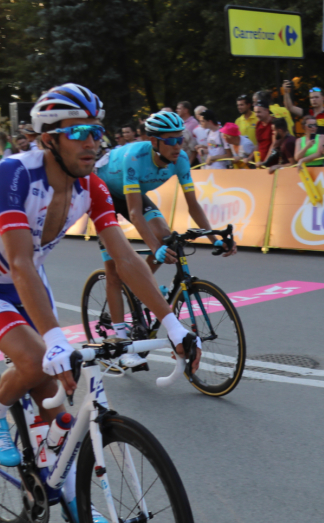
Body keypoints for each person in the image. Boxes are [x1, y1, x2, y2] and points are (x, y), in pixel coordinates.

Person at [0, 85, 202, 523]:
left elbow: (124, 258)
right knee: (35, 359)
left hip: (31, 283)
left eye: (97, 131)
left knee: (57, 397)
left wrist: (172, 324)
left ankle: (63, 491)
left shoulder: (91, 185)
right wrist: (52, 340)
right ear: (49, 138)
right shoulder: (14, 173)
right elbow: (19, 259)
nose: (93, 142)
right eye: (80, 132)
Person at [95, 110, 235, 369]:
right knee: (114, 270)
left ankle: (139, 285)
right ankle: (120, 341)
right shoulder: (135, 157)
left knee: (166, 237)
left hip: (130, 194)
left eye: (180, 139)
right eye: (170, 140)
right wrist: (155, 248)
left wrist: (214, 237)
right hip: (102, 191)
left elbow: (193, 206)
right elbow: (135, 213)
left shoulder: (180, 159)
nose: (177, 146)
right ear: (154, 141)